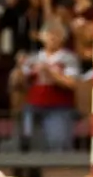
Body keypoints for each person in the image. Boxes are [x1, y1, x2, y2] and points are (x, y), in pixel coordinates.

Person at [16, 19, 81, 152]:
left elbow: (71, 83)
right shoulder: (33, 58)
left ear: (63, 38)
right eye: (49, 34)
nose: (52, 38)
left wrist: (50, 73)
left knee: (58, 142)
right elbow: (21, 82)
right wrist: (19, 69)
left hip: (59, 107)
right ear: (42, 36)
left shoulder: (69, 58)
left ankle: (59, 172)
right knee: (30, 141)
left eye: (56, 34)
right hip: (34, 105)